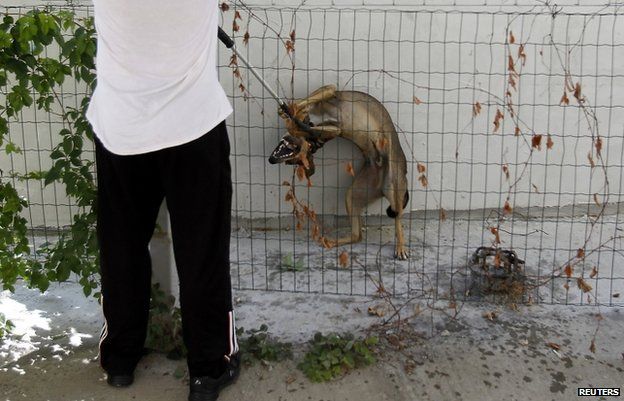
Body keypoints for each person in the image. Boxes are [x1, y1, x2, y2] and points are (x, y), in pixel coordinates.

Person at [86, 1, 239, 400]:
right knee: (201, 252)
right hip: (192, 126)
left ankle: (120, 358)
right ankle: (208, 368)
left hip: (123, 129)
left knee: (121, 247)